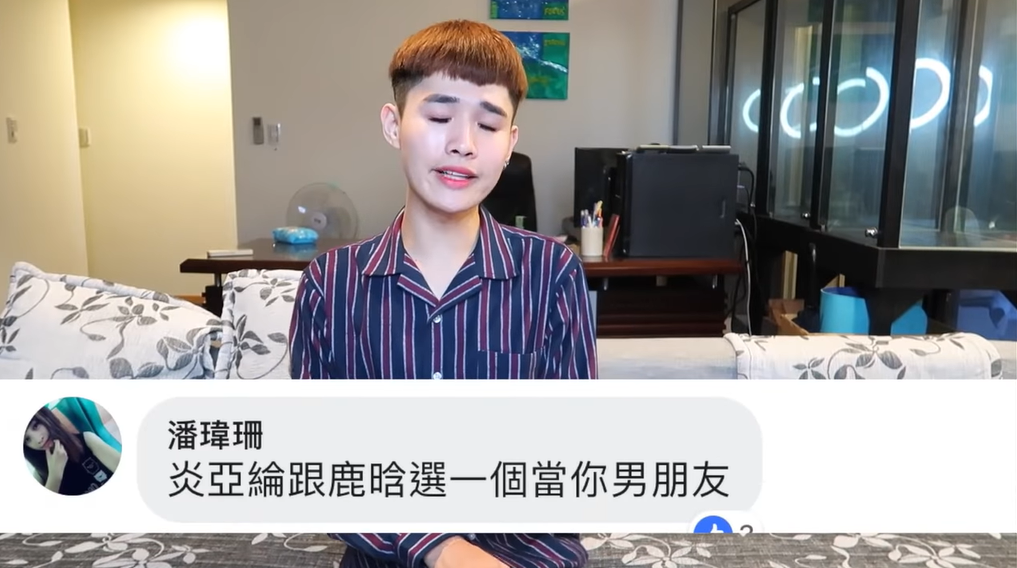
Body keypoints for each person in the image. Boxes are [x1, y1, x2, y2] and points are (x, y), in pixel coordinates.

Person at [288, 18, 593, 568]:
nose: (462, 144)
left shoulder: (553, 274)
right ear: (393, 124)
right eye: (438, 116)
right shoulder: (331, 284)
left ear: (511, 143)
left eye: (489, 125)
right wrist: (438, 547)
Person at [23, 406, 121, 496]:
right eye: (27, 439)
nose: (38, 440)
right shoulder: (39, 475)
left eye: (36, 426)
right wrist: (55, 475)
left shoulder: (87, 440)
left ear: (46, 417)